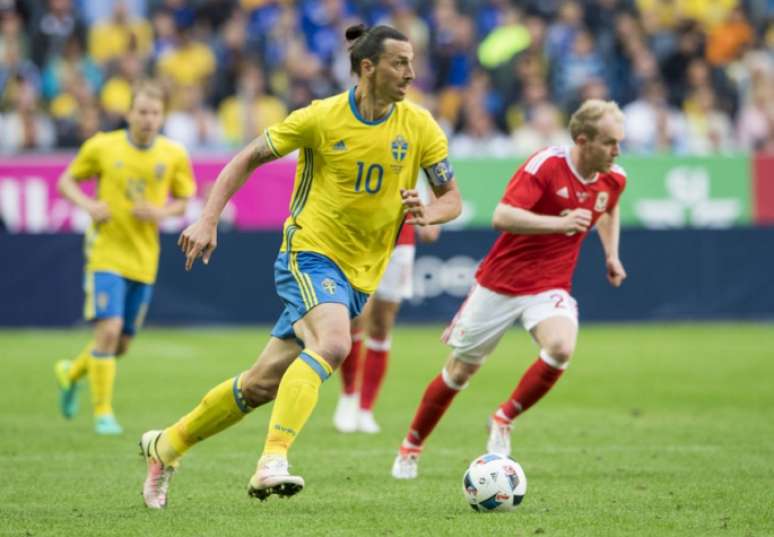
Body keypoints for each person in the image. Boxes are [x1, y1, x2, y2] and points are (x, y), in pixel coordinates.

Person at [139, 24, 462, 509]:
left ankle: (166, 447)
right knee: (334, 343)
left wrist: (428, 212)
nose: (411, 73)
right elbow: (247, 157)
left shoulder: (420, 127)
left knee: (260, 384)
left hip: (358, 276)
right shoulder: (321, 118)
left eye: (412, 63)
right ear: (368, 67)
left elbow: (451, 198)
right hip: (308, 254)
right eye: (400, 63)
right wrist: (208, 218)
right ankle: (272, 461)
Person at [391, 99, 628, 479]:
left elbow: (609, 208)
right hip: (500, 283)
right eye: (610, 143)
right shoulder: (546, 165)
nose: (617, 152)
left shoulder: (613, 177)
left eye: (619, 143)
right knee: (459, 373)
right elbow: (503, 216)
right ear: (583, 141)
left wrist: (611, 255)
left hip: (550, 284)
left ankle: (504, 417)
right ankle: (411, 446)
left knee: (561, 348)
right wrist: (559, 222)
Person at [53, 80, 196, 435]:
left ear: (163, 116)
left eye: (155, 113)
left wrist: (161, 213)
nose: (148, 119)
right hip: (106, 252)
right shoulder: (102, 146)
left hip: (144, 256)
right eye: (142, 112)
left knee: (122, 343)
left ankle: (71, 373)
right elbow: (66, 182)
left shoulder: (173, 154)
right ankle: (103, 413)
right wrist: (89, 205)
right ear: (129, 113)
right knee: (109, 329)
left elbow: (183, 199)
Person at [333, 221, 440, 434]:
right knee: (357, 317)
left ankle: (365, 409)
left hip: (400, 242)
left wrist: (432, 217)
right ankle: (348, 397)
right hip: (363, 237)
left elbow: (438, 191)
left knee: (382, 324)